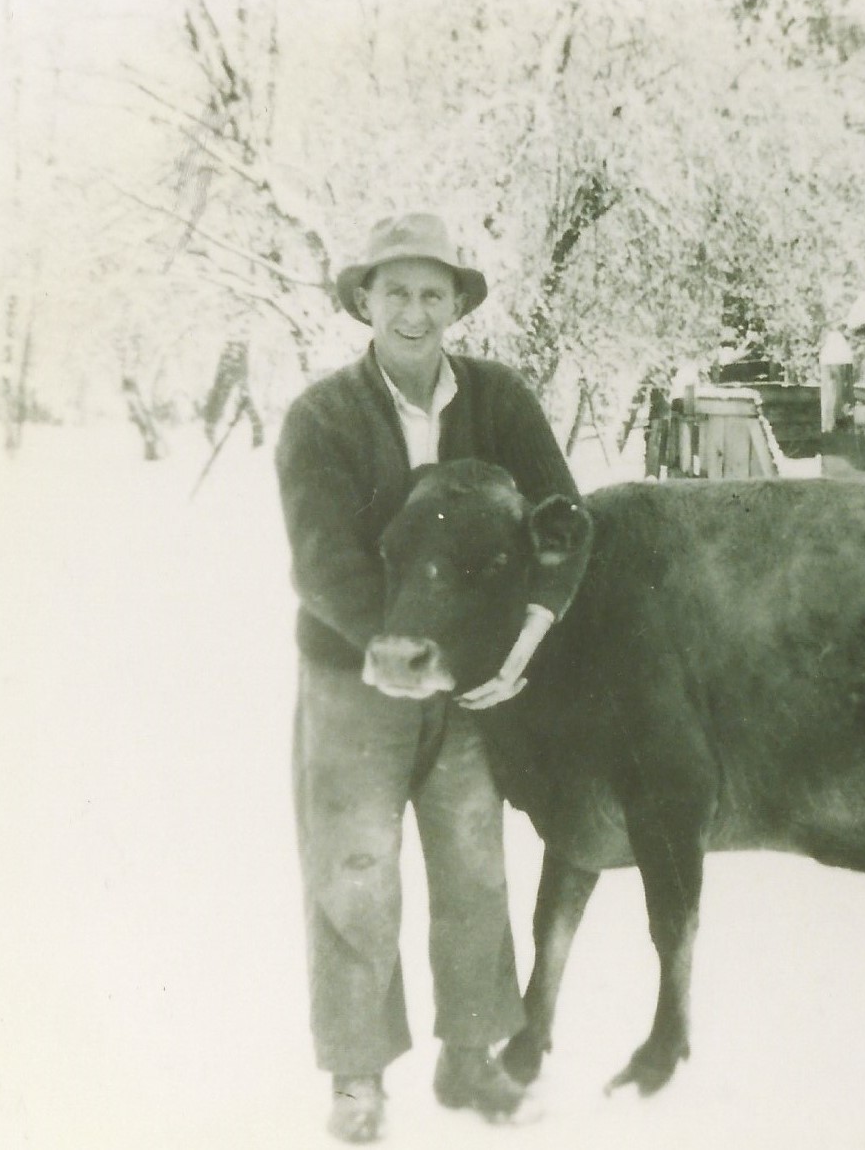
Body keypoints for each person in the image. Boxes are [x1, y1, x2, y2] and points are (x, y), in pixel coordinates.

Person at [275, 212, 578, 1143]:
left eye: (432, 294)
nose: (414, 312)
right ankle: (358, 1075)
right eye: (396, 292)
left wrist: (533, 627)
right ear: (365, 300)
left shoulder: (500, 401)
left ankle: (472, 1055)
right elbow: (321, 558)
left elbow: (561, 514)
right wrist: (391, 644)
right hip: (352, 680)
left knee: (475, 867)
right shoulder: (322, 417)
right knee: (356, 870)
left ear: (457, 305)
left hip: (470, 690)